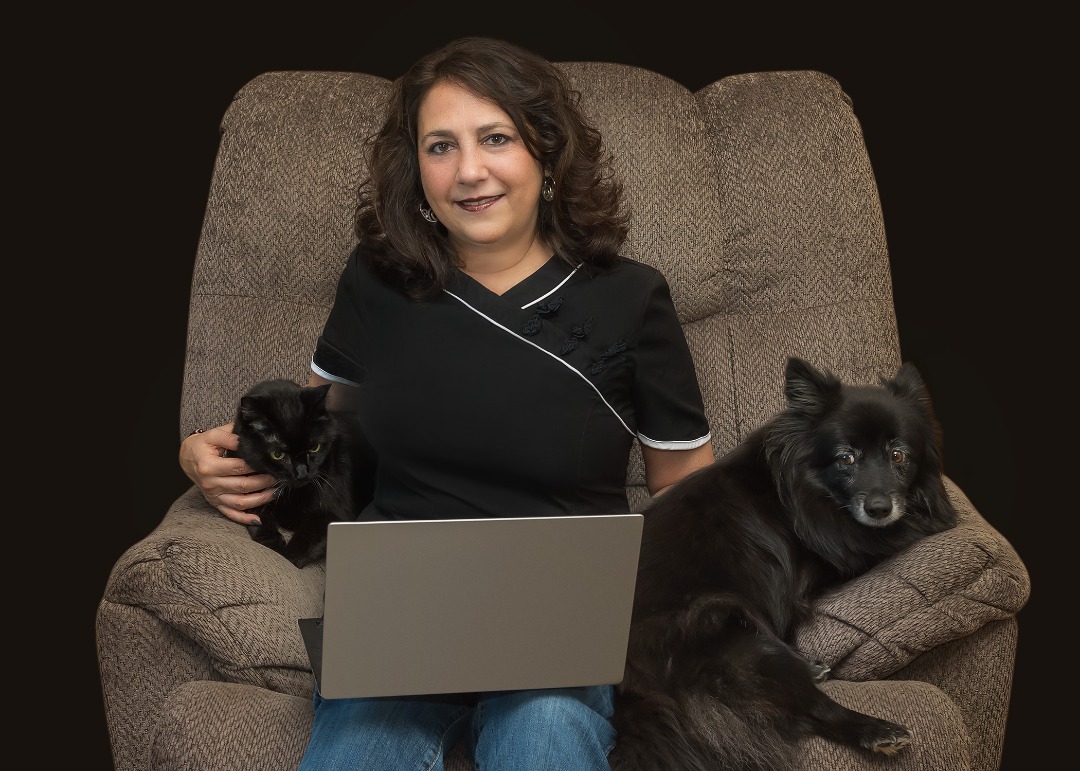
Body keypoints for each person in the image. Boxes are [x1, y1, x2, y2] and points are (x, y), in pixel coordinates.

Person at [179, 36, 715, 771]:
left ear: (546, 154)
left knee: (547, 737)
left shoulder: (632, 298)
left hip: (559, 625)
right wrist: (202, 454)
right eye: (441, 146)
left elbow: (686, 489)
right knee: (360, 751)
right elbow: (313, 431)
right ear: (415, 170)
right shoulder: (375, 281)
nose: (469, 171)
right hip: (400, 622)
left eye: (495, 138)